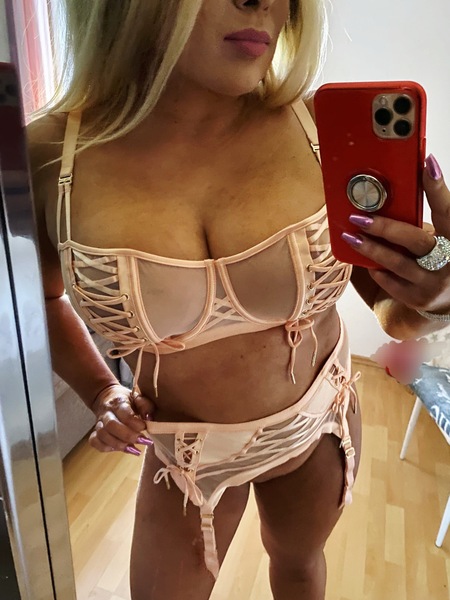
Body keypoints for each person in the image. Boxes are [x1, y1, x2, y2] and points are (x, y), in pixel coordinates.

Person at [27, 1, 450, 599]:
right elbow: (40, 301)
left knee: (299, 568)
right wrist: (101, 392)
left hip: (316, 424)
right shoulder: (46, 154)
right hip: (185, 456)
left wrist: (440, 291)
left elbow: (393, 315)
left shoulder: (316, 129)